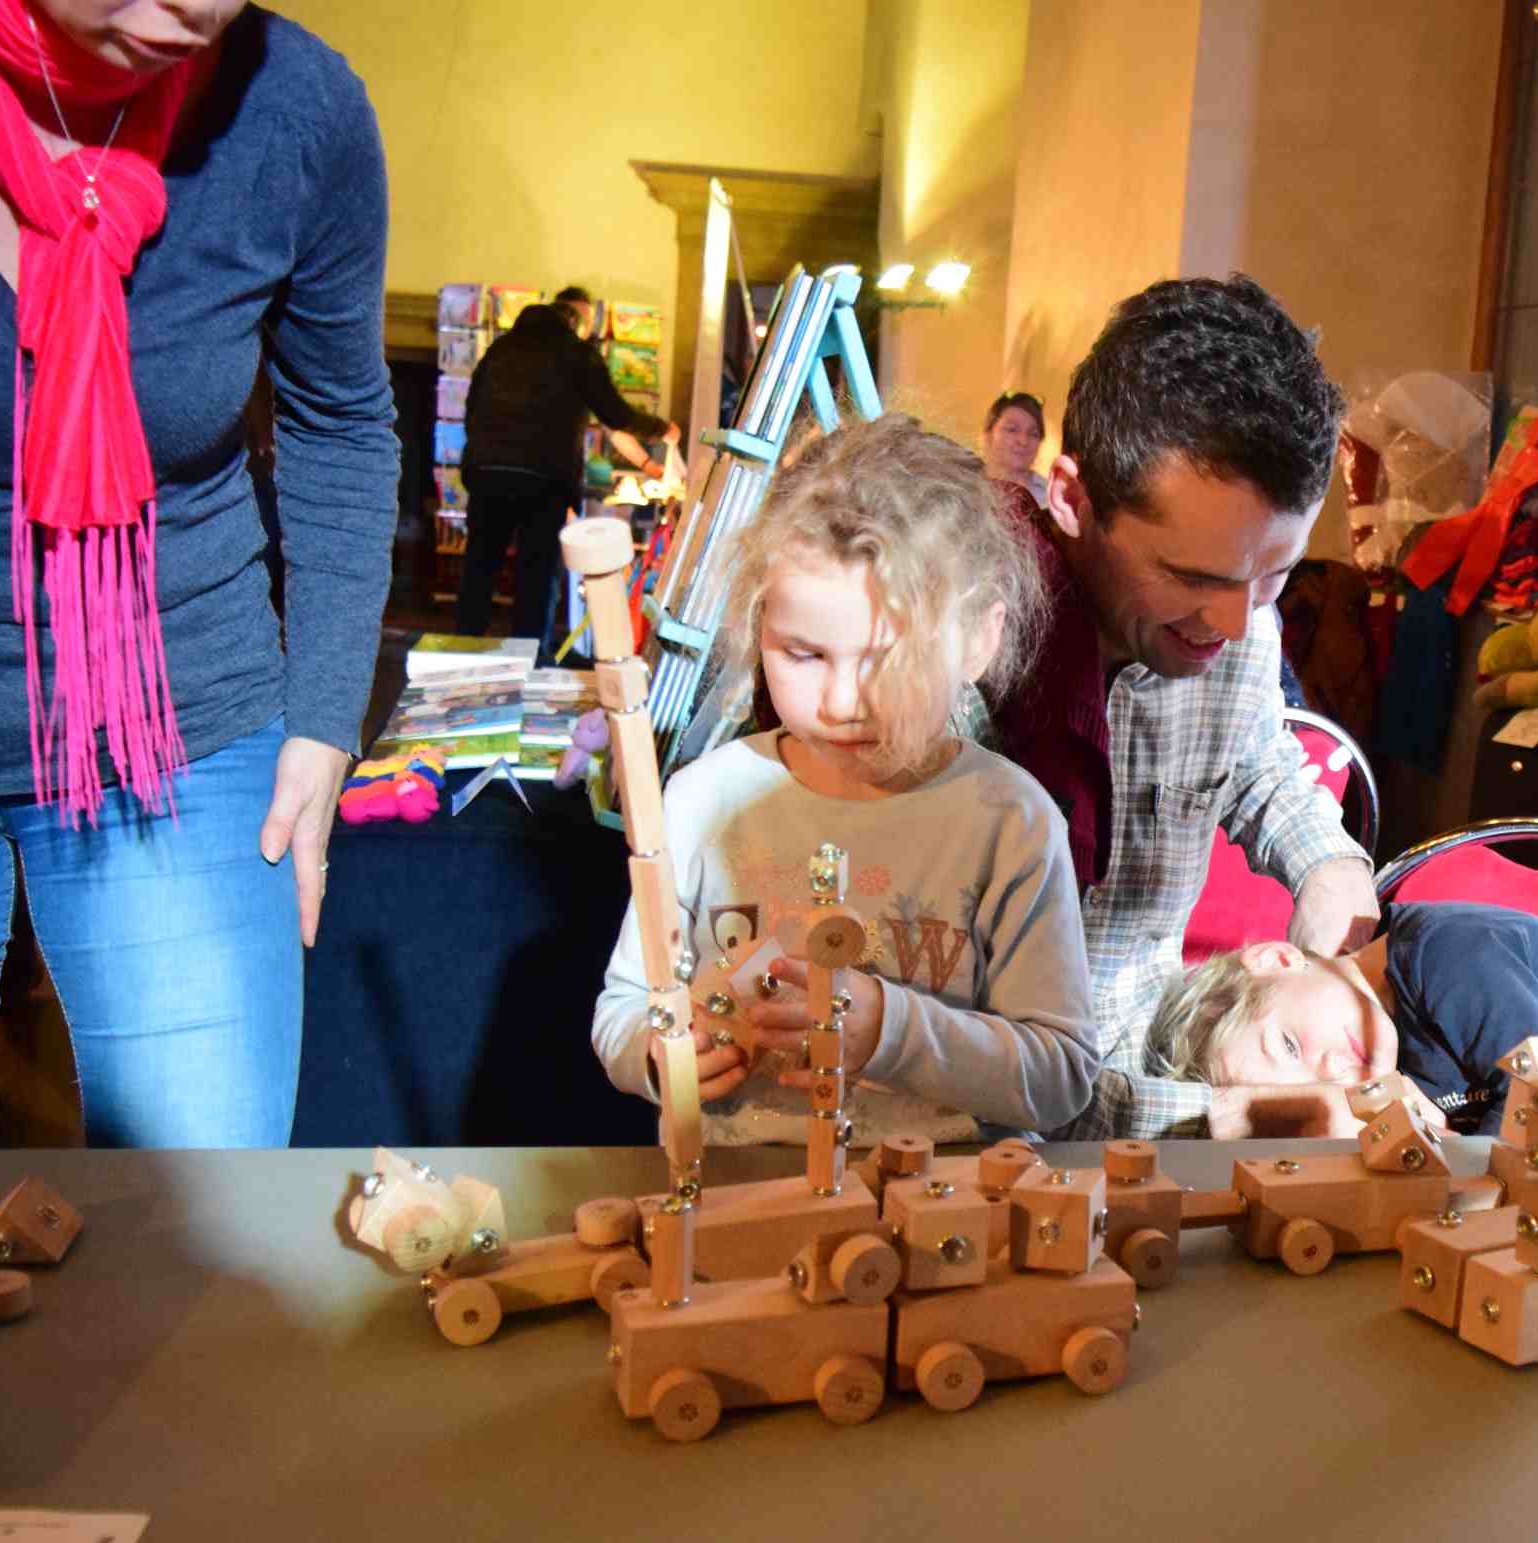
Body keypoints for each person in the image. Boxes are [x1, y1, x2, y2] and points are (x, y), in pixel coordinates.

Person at [0, 0, 395, 1148]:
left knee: (203, 1215)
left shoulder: (298, 109)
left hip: (180, 730)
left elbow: (341, 421)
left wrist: (325, 719)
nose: (189, 8)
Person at [592, 414, 1097, 1140]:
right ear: (759, 624)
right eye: (803, 654)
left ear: (980, 639)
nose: (840, 702)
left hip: (946, 1193)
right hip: (734, 1185)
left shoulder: (1010, 819)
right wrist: (656, 1054)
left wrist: (891, 1031)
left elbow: (1059, 1078)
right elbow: (625, 1006)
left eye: (888, 659)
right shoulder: (702, 798)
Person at [992, 274, 1378, 1143]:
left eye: (1275, 573)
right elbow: (981, 1071)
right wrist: (1253, 1116)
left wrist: (1328, 867)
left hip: (1157, 1076)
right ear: (1071, 499)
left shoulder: (1238, 611)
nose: (1235, 623)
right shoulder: (968, 655)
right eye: (1192, 577)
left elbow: (1253, 759)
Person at [1145, 903, 1538, 1137]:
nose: (1335, 1070)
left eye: (1288, 1044)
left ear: (1278, 959)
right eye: (1320, 1086)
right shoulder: (1387, 1048)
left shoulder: (1443, 954)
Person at [455, 284, 675, 659]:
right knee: (536, 575)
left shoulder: (500, 349)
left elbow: (471, 410)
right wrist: (662, 429)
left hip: (488, 474)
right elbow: (615, 414)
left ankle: (462, 650)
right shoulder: (576, 353)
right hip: (543, 480)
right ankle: (529, 657)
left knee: (480, 568)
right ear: (577, 319)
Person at [978, 389, 1047, 503]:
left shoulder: (1052, 499)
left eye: (1033, 434)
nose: (1023, 441)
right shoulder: (967, 490)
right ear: (988, 435)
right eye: (1012, 429)